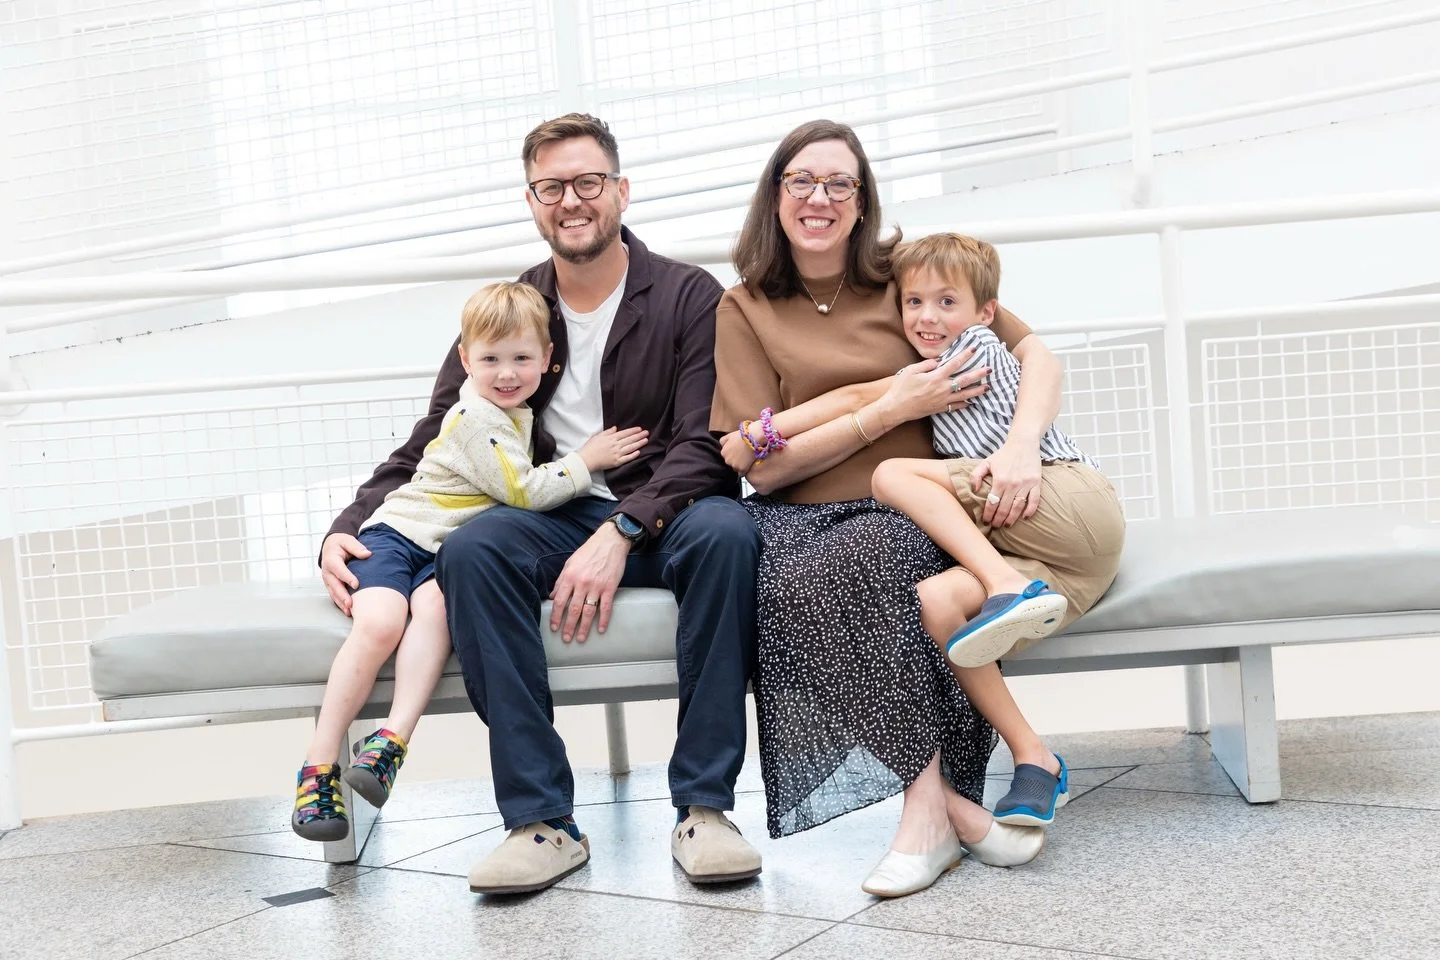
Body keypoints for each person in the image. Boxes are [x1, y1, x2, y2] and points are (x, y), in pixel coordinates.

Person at [319, 114, 762, 895]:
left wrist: (624, 529)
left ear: (620, 191)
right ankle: (541, 822)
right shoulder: (513, 309)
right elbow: (437, 437)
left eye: (588, 182)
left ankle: (705, 810)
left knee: (729, 531)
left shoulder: (691, 295)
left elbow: (703, 441)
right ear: (531, 201)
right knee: (472, 549)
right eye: (551, 187)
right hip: (550, 511)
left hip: (665, 507)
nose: (571, 201)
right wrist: (348, 527)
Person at [711, 119, 1073, 899]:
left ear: (862, 198)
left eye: (840, 183)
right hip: (796, 514)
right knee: (784, 596)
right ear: (776, 195)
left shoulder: (907, 276)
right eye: (802, 181)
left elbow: (1036, 353)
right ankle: (951, 809)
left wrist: (1019, 448)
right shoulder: (744, 307)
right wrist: (882, 410)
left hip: (917, 504)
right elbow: (757, 467)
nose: (820, 198)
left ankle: (922, 814)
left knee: (871, 566)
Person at [722, 232, 1126, 831]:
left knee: (894, 474)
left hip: (1063, 498)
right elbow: (864, 394)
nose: (926, 316)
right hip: (1049, 555)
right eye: (915, 304)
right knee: (937, 604)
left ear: (982, 311)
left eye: (944, 303)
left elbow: (1035, 356)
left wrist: (1020, 446)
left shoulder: (972, 347)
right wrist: (760, 433)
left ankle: (1001, 582)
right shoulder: (920, 357)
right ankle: (1033, 755)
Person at [294, 281, 648, 842]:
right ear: (464, 360)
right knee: (383, 622)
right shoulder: (476, 416)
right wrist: (587, 460)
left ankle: (390, 742)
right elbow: (526, 491)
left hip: (445, 547)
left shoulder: (518, 413)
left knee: (437, 610)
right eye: (490, 360)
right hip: (399, 536)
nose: (506, 373)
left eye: (521, 359)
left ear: (546, 360)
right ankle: (318, 766)